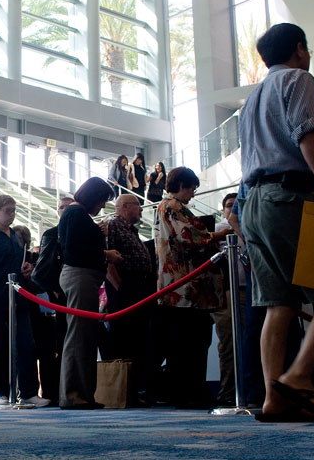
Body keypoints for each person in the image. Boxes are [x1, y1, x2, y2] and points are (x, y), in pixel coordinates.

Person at [238, 22, 314, 422]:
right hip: (287, 196)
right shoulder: (299, 78)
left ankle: (274, 399)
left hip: (252, 202)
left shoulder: (251, 99)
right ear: (299, 49)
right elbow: (307, 133)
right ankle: (300, 376)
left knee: (278, 305)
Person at [154, 166, 227, 408]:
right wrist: (218, 235)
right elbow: (189, 237)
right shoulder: (173, 207)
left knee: (186, 342)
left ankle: (187, 392)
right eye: (192, 188)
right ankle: (190, 393)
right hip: (186, 288)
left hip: (180, 287)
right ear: (182, 185)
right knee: (191, 343)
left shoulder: (167, 208)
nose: (193, 194)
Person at [0, 194, 49, 408]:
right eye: (8, 211)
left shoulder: (15, 238)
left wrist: (26, 270)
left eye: (14, 211)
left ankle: (28, 392)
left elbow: (18, 266)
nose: (12, 215)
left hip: (18, 298)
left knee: (26, 345)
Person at [57, 178, 122, 409]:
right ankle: (74, 395)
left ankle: (82, 394)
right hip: (80, 276)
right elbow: (75, 250)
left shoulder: (76, 214)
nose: (103, 205)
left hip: (82, 277)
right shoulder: (75, 214)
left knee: (83, 336)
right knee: (79, 337)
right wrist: (105, 254)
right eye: (102, 200)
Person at [101, 193, 155, 401]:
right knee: (125, 337)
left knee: (139, 337)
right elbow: (108, 259)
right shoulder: (114, 226)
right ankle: (124, 390)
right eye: (137, 205)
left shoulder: (131, 230)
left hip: (138, 287)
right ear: (123, 207)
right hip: (125, 288)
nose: (141, 210)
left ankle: (137, 388)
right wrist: (119, 287)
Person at [30, 196, 75, 404]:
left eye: (69, 207)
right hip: (58, 298)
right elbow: (41, 271)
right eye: (61, 208)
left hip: (76, 294)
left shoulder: (80, 231)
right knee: (57, 346)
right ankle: (54, 392)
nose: (64, 210)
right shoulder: (51, 234)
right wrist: (53, 291)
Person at [210, 192, 238, 406]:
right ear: (223, 208)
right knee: (228, 343)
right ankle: (227, 393)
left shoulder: (249, 228)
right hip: (226, 293)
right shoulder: (218, 230)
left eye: (237, 205)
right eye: (229, 205)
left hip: (249, 292)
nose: (233, 209)